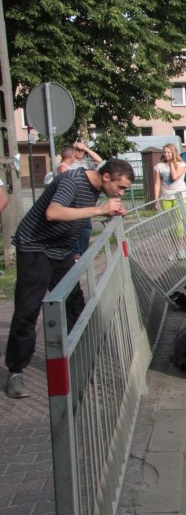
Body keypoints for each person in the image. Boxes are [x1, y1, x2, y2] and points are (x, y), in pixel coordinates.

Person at [4, 159, 134, 398]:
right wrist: (99, 210)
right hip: (35, 248)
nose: (122, 192)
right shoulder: (72, 181)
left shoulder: (95, 187)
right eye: (121, 187)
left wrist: (110, 212)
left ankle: (82, 363)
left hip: (61, 251)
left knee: (75, 305)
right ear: (106, 177)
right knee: (28, 309)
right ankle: (16, 372)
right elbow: (53, 213)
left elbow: (76, 213)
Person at [153, 143, 186, 260]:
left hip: (179, 196)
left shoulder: (181, 164)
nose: (166, 154)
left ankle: (181, 248)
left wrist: (172, 163)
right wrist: (156, 200)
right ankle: (174, 249)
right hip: (166, 197)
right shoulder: (159, 166)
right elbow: (157, 183)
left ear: (173, 153)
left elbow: (174, 177)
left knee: (178, 223)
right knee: (171, 226)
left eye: (168, 152)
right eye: (164, 152)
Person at [69, 141, 103, 260]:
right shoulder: (70, 163)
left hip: (86, 201)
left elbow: (101, 162)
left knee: (86, 228)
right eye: (77, 150)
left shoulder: (87, 163)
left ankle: (84, 252)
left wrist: (86, 149)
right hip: (74, 201)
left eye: (81, 150)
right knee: (74, 228)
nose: (80, 152)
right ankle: (76, 253)